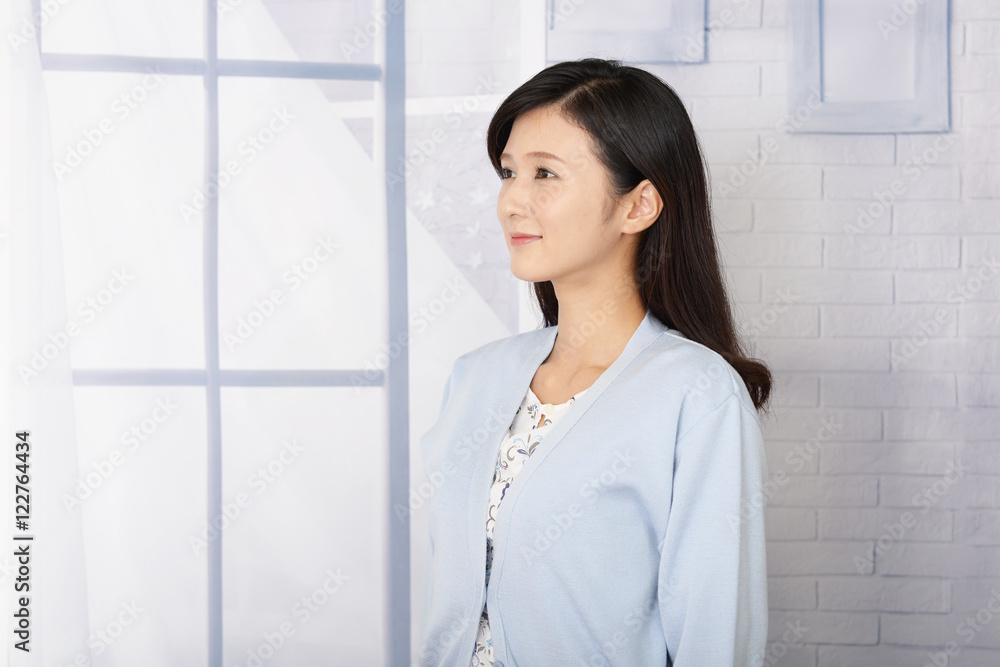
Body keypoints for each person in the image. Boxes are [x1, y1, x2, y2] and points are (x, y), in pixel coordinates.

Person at [417, 57, 772, 667]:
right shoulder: (475, 378)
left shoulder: (696, 396)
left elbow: (714, 635)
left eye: (545, 174)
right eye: (508, 172)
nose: (511, 202)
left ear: (638, 206)